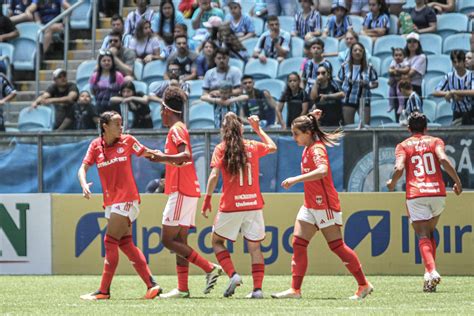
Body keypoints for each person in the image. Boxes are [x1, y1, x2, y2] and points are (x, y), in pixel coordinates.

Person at [272, 110, 373, 300]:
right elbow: (309, 125)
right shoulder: (309, 144)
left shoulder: (317, 149)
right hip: (310, 205)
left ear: (307, 133)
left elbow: (323, 170)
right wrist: (312, 117)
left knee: (337, 247)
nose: (293, 137)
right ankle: (295, 290)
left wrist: (296, 179)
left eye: (296, 134)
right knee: (298, 243)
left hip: (324, 204)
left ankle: (363, 285)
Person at [147, 87, 223, 299]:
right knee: (180, 242)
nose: (160, 114)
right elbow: (181, 159)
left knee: (168, 240)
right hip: (186, 190)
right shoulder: (180, 128)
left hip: (181, 191)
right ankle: (182, 288)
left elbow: (186, 155)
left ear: (165, 109)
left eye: (161, 109)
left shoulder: (176, 129)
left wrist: (160, 158)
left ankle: (209, 268)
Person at [78, 111, 162, 300]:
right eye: (116, 123)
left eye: (121, 123)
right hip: (111, 201)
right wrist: (83, 183)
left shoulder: (128, 140)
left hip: (127, 199)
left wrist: (171, 159)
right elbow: (83, 168)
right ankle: (152, 286)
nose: (121, 127)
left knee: (109, 241)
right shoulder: (95, 146)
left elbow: (149, 153)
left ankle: (104, 291)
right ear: (105, 126)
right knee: (125, 243)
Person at [201, 113, 277, 298]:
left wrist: (208, 198)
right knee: (255, 248)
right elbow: (273, 147)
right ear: (241, 129)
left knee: (217, 242)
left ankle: (233, 275)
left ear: (223, 130)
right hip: (253, 204)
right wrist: (258, 129)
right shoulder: (252, 145)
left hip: (231, 205)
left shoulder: (221, 148)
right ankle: (257, 290)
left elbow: (213, 176)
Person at [386, 111, 462, 292]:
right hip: (437, 193)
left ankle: (432, 271)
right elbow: (443, 159)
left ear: (408, 128)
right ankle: (428, 280)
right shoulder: (435, 141)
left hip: (417, 194)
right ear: (426, 127)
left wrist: (392, 182)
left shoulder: (403, 145)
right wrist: (457, 181)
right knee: (429, 233)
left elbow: (399, 167)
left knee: (422, 235)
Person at [337, 42, 378, 125]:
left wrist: (367, 85)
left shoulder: (369, 67)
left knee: (365, 126)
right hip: (348, 99)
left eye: (360, 50)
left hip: (364, 99)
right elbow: (339, 82)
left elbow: (375, 83)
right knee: (348, 128)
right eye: (355, 50)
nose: (357, 52)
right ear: (351, 52)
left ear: (363, 53)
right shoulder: (344, 66)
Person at [433, 50, 474, 126]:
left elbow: (473, 92)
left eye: (459, 61)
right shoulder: (449, 76)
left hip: (471, 112)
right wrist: (448, 93)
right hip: (457, 113)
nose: (457, 64)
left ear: (464, 61)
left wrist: (454, 92)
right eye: (454, 62)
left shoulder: (471, 75)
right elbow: (436, 92)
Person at [89, 50, 125, 115]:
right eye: (104, 60)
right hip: (99, 106)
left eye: (109, 60)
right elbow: (92, 91)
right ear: (100, 62)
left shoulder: (118, 75)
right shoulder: (94, 76)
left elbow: (123, 90)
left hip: (114, 108)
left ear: (112, 62)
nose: (106, 62)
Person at [388, 47, 410, 122]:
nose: (398, 57)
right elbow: (390, 70)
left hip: (400, 81)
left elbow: (406, 69)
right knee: (391, 92)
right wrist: (392, 71)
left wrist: (397, 70)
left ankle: (401, 105)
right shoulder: (393, 62)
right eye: (396, 55)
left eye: (400, 55)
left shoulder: (405, 62)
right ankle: (391, 104)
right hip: (393, 81)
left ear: (404, 56)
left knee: (399, 92)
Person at [404, 32, 426, 96]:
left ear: (418, 44)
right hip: (403, 87)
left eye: (414, 41)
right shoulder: (404, 58)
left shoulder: (421, 57)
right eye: (409, 41)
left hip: (415, 87)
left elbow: (410, 73)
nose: (412, 44)